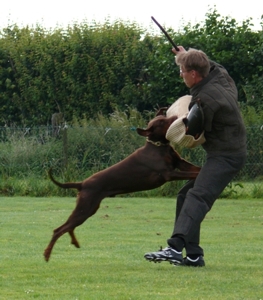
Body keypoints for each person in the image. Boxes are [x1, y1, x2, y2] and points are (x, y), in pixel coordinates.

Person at [144, 46, 247, 267]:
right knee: (186, 195)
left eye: (182, 70)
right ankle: (193, 256)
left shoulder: (205, 99)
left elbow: (192, 135)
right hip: (229, 152)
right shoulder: (221, 79)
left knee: (198, 196)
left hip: (226, 157)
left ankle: (174, 248)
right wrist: (184, 54)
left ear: (193, 74)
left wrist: (176, 125)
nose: (180, 75)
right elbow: (213, 66)